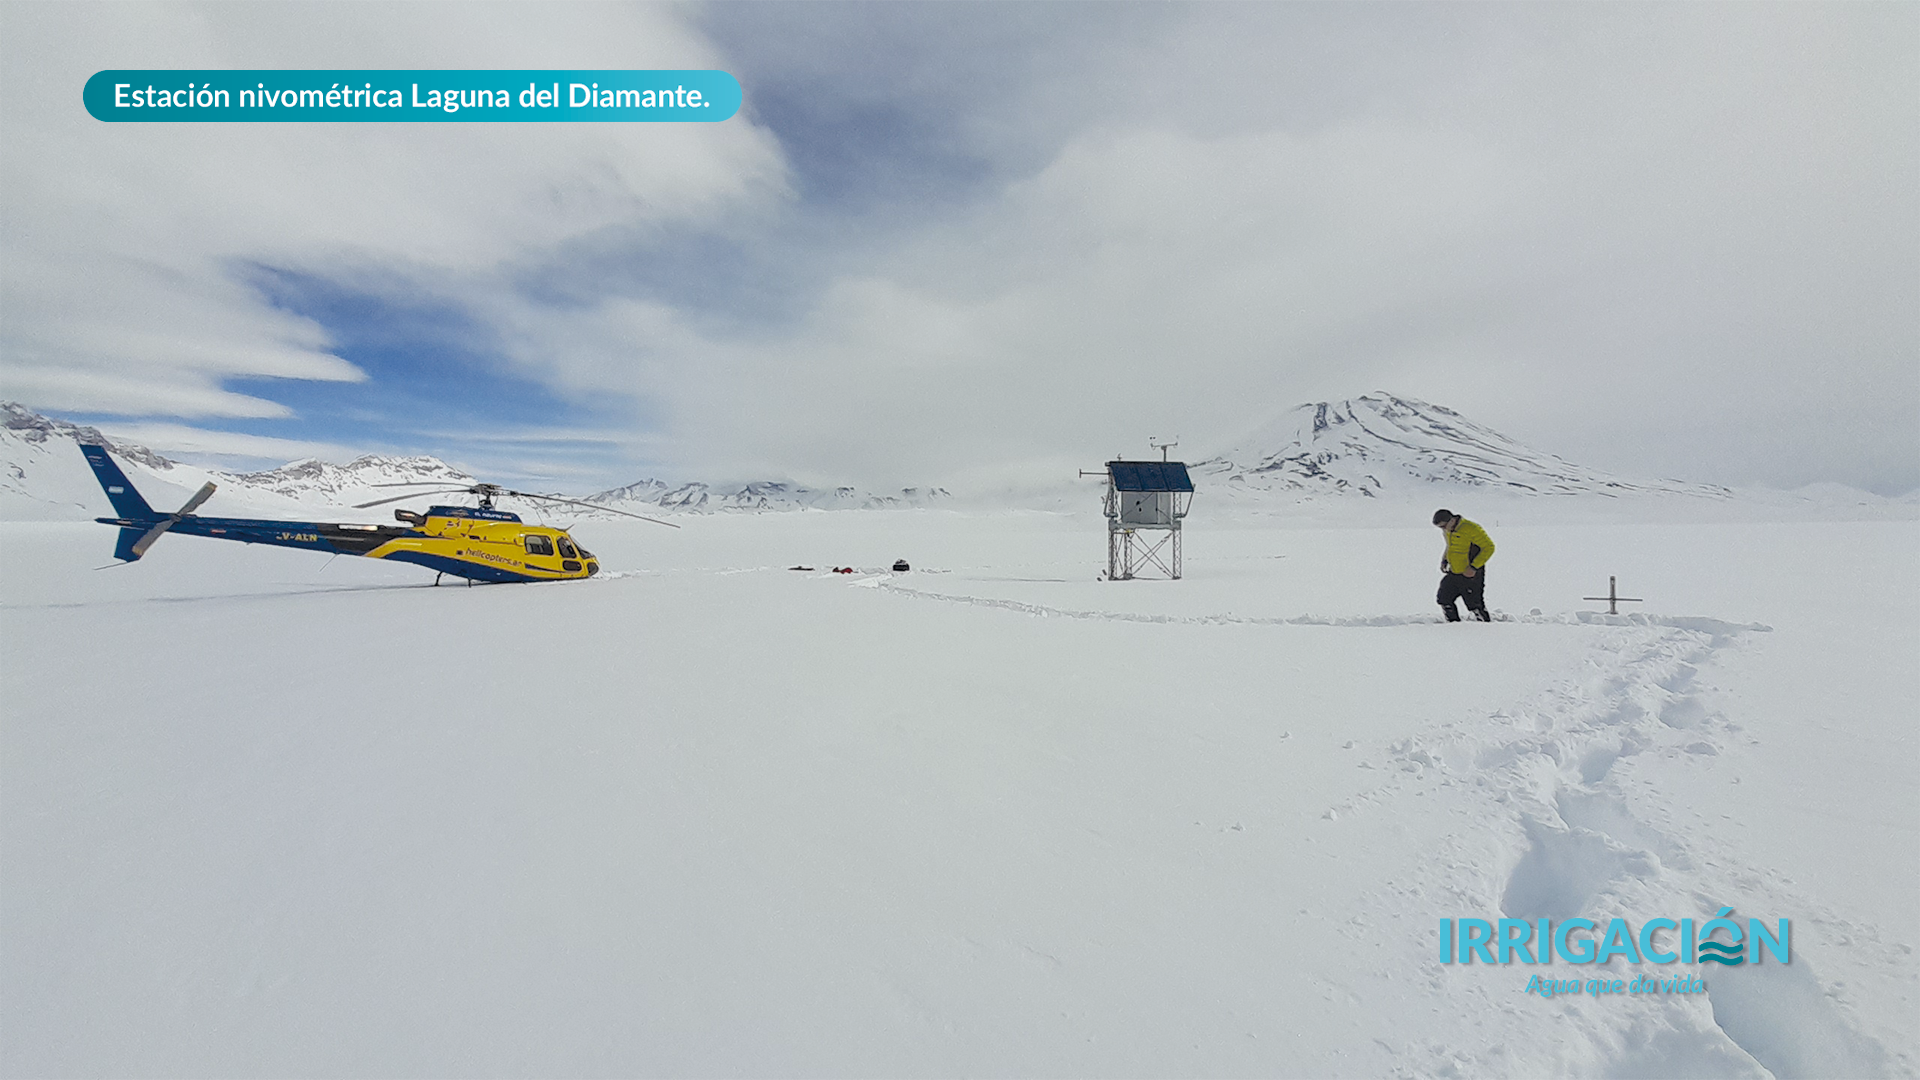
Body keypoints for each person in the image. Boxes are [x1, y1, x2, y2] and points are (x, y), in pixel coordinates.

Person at [1432, 509, 1494, 622]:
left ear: (1451, 520)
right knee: (1444, 598)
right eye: (1440, 528)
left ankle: (1486, 627)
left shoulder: (1471, 528)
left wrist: (1474, 567)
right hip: (1454, 571)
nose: (1443, 529)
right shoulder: (1448, 530)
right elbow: (1450, 546)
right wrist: (1444, 560)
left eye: (1443, 526)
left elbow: (1489, 547)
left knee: (1474, 604)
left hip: (1471, 574)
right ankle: (1453, 625)